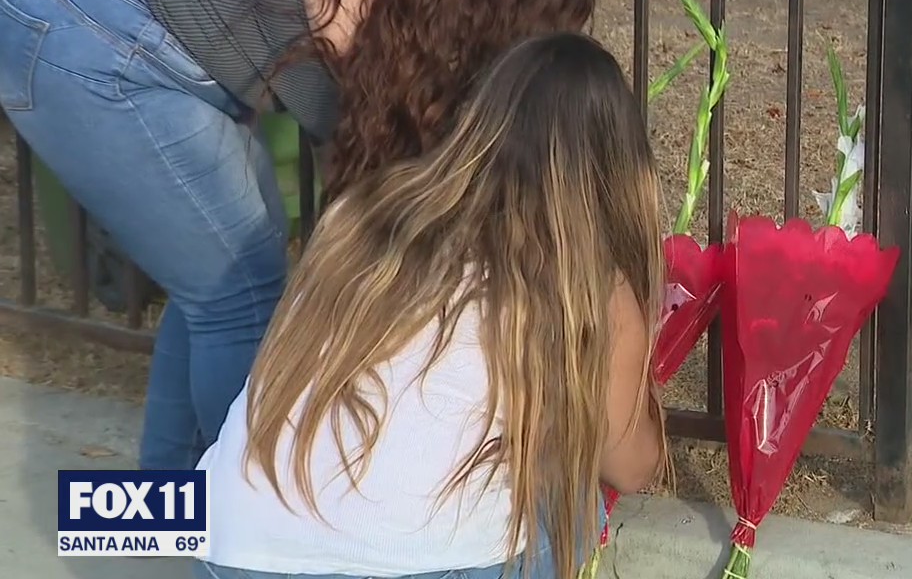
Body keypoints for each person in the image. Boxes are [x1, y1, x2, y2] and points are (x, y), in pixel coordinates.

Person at [0, 0, 613, 471]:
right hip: (80, 17)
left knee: (214, 275)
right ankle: (253, 521)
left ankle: (173, 511)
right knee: (237, 293)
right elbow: (373, 200)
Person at [196, 32, 668, 579]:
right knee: (575, 513)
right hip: (406, 563)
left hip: (229, 547)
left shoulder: (366, 212)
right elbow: (630, 466)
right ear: (616, 167)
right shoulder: (587, 284)